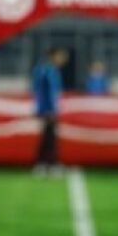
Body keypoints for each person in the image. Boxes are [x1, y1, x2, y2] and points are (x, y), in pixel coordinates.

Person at [31, 47, 68, 177]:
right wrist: (48, 110)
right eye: (61, 56)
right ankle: (49, 164)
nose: (63, 59)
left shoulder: (51, 70)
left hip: (49, 108)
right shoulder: (46, 70)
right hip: (48, 110)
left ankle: (44, 164)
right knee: (49, 137)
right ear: (53, 56)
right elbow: (42, 92)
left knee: (48, 135)